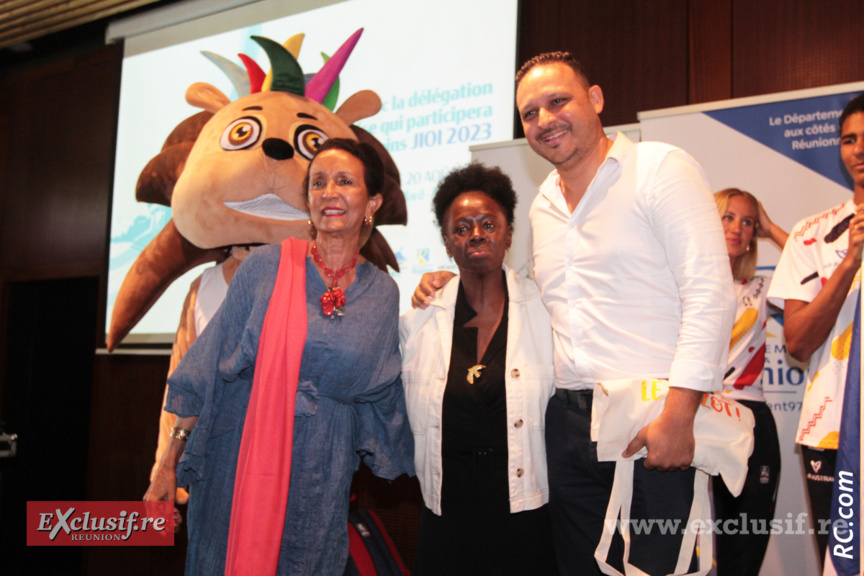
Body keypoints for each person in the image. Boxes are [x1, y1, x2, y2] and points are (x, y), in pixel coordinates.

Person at [415, 52, 735, 575]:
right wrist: (456, 283)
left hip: (652, 417)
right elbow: (535, 301)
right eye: (529, 113)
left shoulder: (659, 168)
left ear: (597, 99)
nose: (544, 120)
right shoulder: (543, 204)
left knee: (663, 569)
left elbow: (709, 293)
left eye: (557, 101)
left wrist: (679, 412)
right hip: (565, 425)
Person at [144, 138, 414, 576]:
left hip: (319, 484)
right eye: (318, 182)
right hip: (237, 467)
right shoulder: (264, 269)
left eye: (344, 181)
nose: (328, 192)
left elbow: (384, 398)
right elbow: (204, 370)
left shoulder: (382, 294)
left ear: (373, 202)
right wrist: (165, 466)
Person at [400, 163, 558, 575]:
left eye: (489, 223)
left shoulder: (547, 311)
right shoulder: (418, 320)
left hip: (524, 512)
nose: (476, 234)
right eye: (462, 227)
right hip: (446, 514)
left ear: (508, 234)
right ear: (448, 242)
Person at [767, 92, 864, 564]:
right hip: (832, 431)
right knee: (839, 561)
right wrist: (850, 262)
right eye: (849, 139)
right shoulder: (811, 233)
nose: (859, 149)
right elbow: (799, 342)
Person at [712, 188, 788, 576]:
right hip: (692, 416)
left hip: (750, 419)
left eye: (747, 222)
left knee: (742, 548)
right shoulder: (674, 287)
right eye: (727, 217)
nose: (737, 229)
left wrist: (771, 227)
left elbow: (814, 271)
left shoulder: (761, 289)